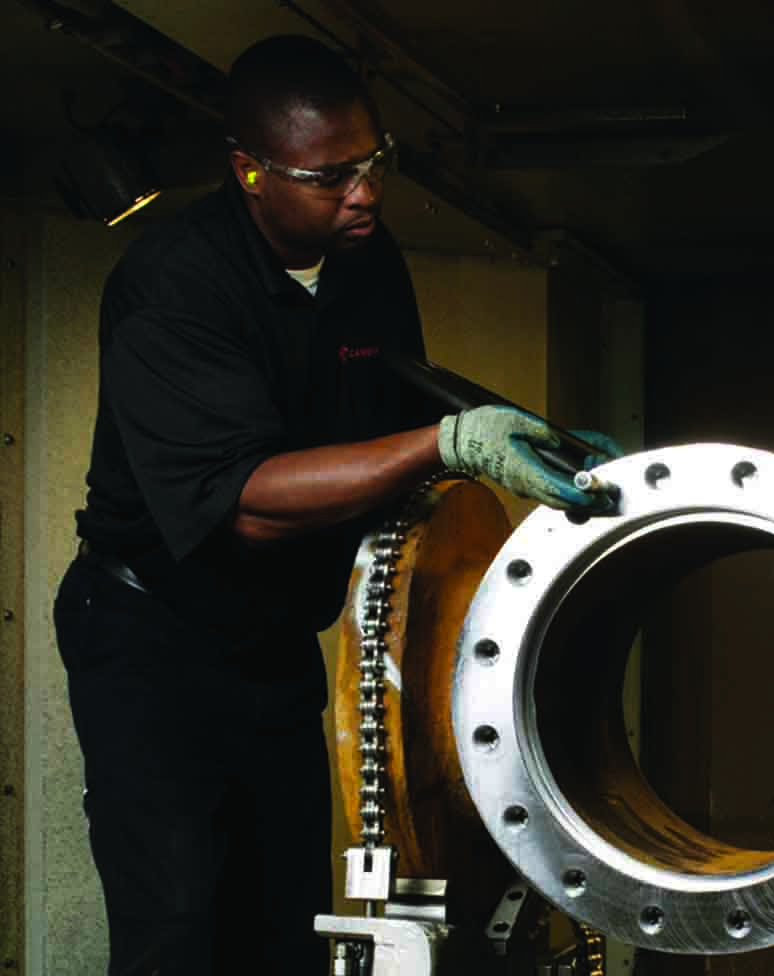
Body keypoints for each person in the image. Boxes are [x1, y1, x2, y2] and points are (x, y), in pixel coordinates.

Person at [53, 34, 617, 976]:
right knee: (177, 925)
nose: (363, 194)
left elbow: (397, 402)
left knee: (286, 926)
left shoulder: (366, 257)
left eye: (373, 164)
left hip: (269, 646)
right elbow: (244, 500)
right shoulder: (173, 287)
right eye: (329, 177)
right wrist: (447, 442)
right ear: (249, 173)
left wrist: (524, 437)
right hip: (151, 641)